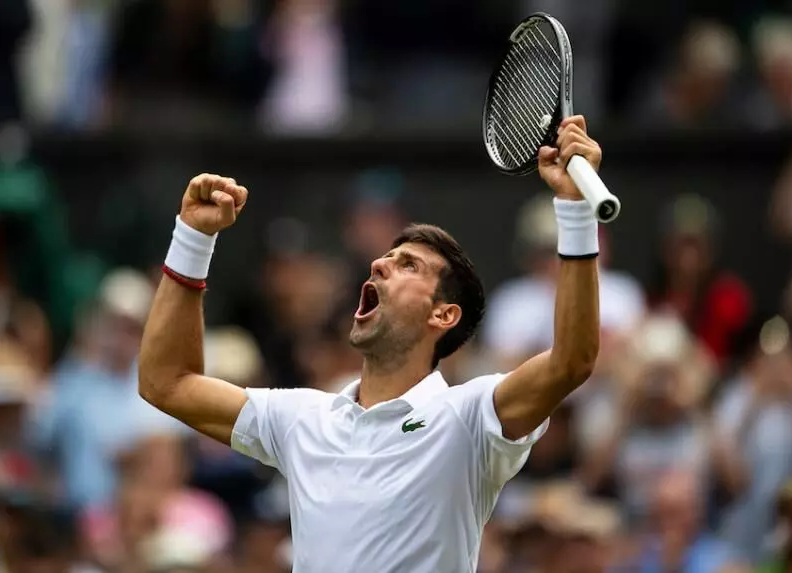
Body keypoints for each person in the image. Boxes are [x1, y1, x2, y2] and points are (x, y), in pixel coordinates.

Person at [138, 115, 603, 571]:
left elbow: (571, 362)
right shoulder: (302, 420)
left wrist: (576, 211)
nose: (379, 264)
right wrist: (193, 238)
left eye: (408, 266)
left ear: (443, 315)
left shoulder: (470, 418)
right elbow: (166, 383)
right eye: (386, 258)